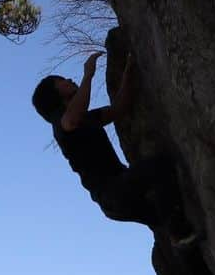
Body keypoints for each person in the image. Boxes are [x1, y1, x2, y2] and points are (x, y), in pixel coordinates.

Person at [31, 51, 195, 243]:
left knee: (167, 224)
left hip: (117, 195)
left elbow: (119, 108)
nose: (68, 79)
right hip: (113, 193)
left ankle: (192, 256)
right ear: (55, 94)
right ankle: (181, 234)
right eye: (61, 81)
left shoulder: (87, 119)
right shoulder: (61, 123)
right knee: (160, 166)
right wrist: (88, 75)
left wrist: (128, 73)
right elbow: (72, 119)